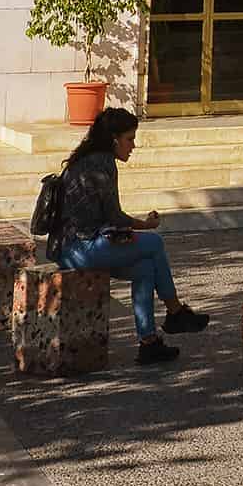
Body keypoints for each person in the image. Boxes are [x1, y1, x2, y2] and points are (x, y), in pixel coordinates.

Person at [53, 108, 211, 365]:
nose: (133, 146)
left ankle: (149, 343)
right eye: (129, 139)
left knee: (145, 268)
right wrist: (146, 226)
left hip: (73, 248)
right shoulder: (102, 164)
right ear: (114, 139)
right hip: (81, 249)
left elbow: (105, 218)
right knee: (155, 243)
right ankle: (175, 312)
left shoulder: (88, 159)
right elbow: (115, 217)